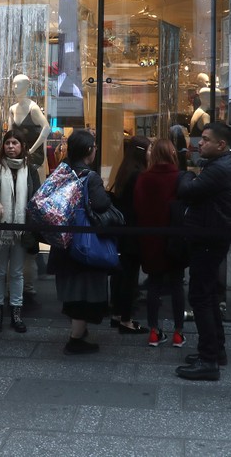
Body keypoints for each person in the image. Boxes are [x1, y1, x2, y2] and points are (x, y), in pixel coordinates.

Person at [174, 122, 231, 380]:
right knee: (209, 295)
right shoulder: (222, 165)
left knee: (201, 296)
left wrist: (187, 174)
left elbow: (186, 190)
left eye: (205, 139)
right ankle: (215, 350)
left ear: (221, 145)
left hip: (207, 237)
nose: (199, 143)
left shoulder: (218, 169)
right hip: (211, 234)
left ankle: (208, 360)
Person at [47, 129, 113, 355]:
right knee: (83, 289)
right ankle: (75, 339)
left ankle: (78, 332)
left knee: (72, 287)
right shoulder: (90, 176)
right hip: (83, 241)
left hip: (63, 238)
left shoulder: (61, 172)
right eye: (94, 147)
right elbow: (102, 205)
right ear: (88, 151)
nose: (95, 150)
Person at [0, 129, 40, 334]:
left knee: (17, 273)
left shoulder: (30, 169)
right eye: (8, 143)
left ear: (22, 146)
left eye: (15, 143)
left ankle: (16, 313)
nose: (11, 147)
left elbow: (35, 198)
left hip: (21, 228)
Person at [134, 139, 187, 347]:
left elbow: (138, 206)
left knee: (154, 284)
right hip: (174, 238)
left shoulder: (144, 178)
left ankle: (154, 331)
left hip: (151, 237)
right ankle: (178, 332)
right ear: (172, 154)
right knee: (176, 285)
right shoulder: (179, 177)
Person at [108, 135, 151, 335]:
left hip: (123, 230)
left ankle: (117, 314)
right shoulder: (139, 174)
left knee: (121, 274)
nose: (152, 153)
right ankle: (126, 319)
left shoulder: (125, 170)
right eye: (150, 149)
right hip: (133, 231)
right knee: (130, 276)